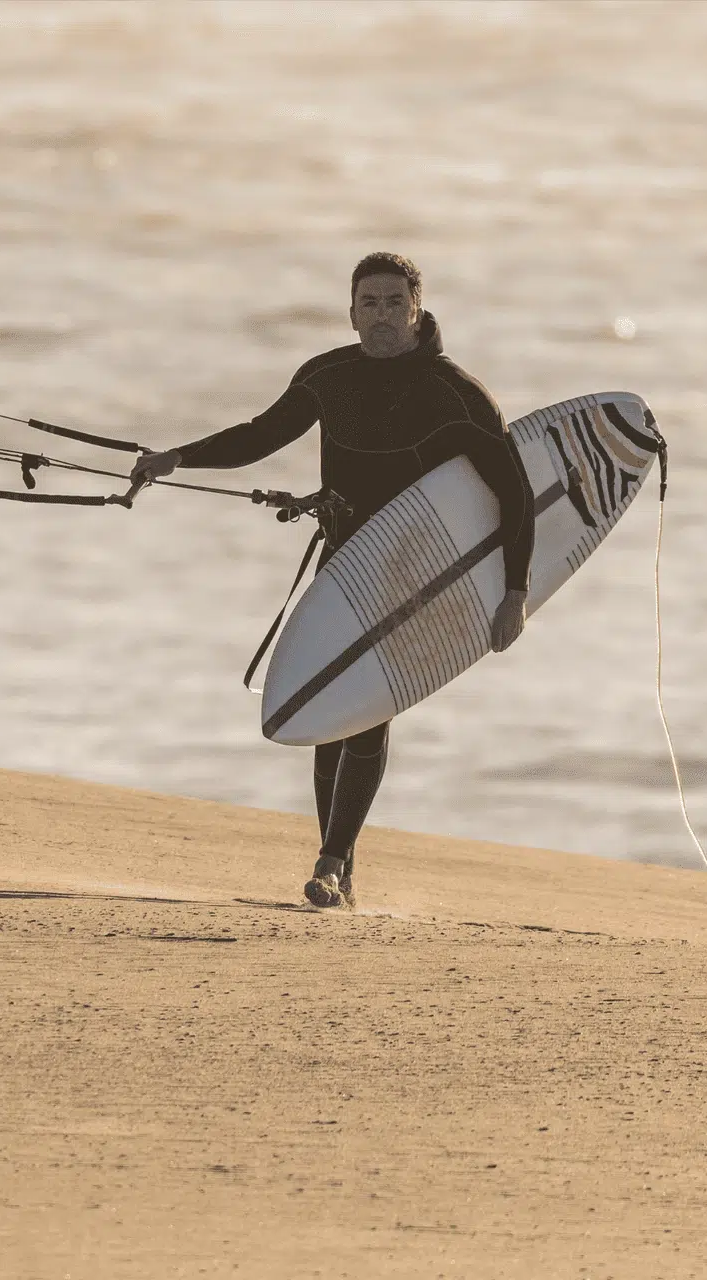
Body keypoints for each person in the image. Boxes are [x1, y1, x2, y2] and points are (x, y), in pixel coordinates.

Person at [131, 252, 536, 910]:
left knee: (367, 711)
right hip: (344, 565)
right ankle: (337, 864)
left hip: (416, 574)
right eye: (369, 303)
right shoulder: (328, 377)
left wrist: (515, 593)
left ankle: (331, 860)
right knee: (329, 711)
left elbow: (514, 495)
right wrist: (179, 457)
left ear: (417, 310)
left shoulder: (458, 395)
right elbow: (259, 436)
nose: (382, 316)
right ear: (351, 313)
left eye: (394, 303)